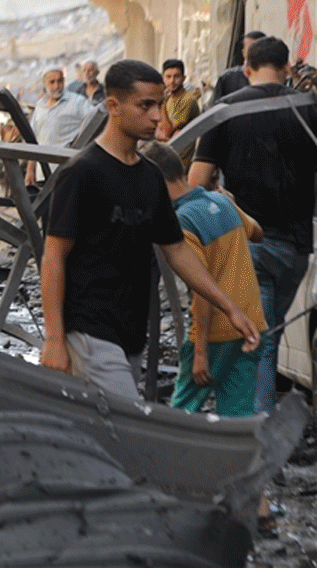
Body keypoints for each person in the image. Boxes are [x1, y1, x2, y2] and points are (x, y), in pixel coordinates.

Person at [38, 59, 260, 400]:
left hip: (130, 331)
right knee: (129, 427)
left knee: (105, 434)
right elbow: (53, 257)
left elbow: (177, 250)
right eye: (145, 106)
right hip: (88, 330)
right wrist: (54, 339)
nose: (157, 116)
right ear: (113, 106)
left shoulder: (151, 176)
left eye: (158, 105)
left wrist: (228, 306)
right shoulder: (82, 173)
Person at [190, 36, 317, 413]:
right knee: (267, 336)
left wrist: (219, 196)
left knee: (255, 339)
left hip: (249, 244)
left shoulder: (227, 109)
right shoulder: (310, 109)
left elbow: (196, 182)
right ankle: (255, 426)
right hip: (296, 247)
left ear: (246, 70)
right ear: (288, 69)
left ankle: (254, 433)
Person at [140, 141, 264, 416]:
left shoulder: (181, 221)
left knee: (181, 413)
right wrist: (231, 206)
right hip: (251, 324)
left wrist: (199, 352)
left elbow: (201, 289)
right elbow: (257, 232)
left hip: (215, 333)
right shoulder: (220, 200)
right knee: (236, 418)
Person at [25, 69, 94, 185]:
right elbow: (33, 140)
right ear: (44, 84)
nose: (57, 86)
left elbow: (97, 121)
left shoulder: (77, 102)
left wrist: (80, 141)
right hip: (43, 174)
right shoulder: (40, 106)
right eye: (52, 82)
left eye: (60, 81)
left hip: (67, 172)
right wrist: (30, 170)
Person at [156, 59, 200, 169]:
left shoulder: (187, 100)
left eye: (176, 76)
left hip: (179, 164)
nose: (172, 81)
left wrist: (162, 106)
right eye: (168, 77)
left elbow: (166, 131)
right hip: (167, 158)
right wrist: (164, 136)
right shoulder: (169, 98)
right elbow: (157, 129)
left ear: (184, 78)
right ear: (163, 78)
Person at [211, 31, 267, 104]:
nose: (256, 52)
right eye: (251, 48)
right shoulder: (228, 78)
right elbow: (214, 108)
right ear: (244, 52)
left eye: (259, 49)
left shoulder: (274, 76)